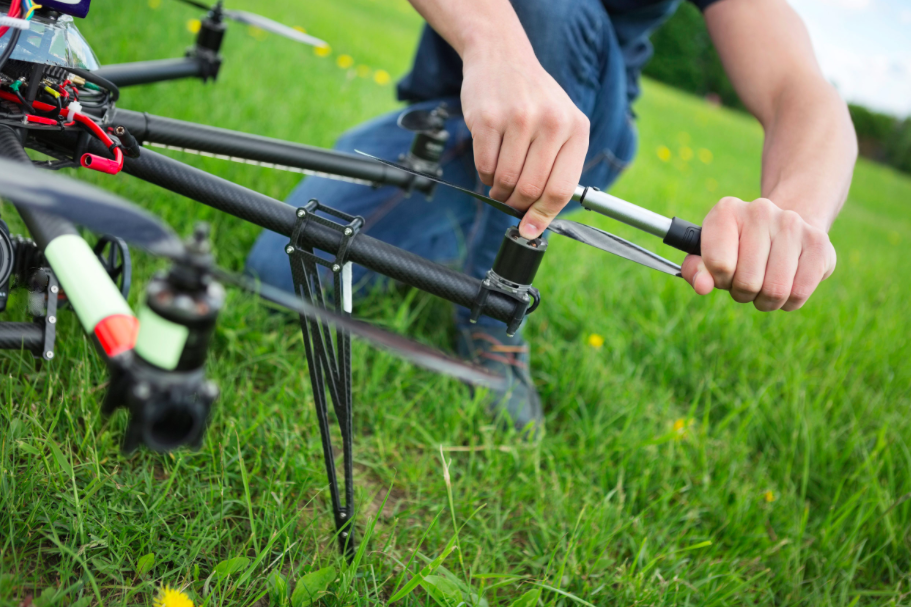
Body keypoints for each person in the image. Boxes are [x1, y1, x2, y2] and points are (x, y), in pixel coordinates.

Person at [246, 0, 857, 432]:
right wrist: (495, 46)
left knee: (555, 8)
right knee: (280, 272)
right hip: (460, 110)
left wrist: (795, 212)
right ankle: (464, 215)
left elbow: (800, 92)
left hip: (586, 131)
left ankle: (492, 310)